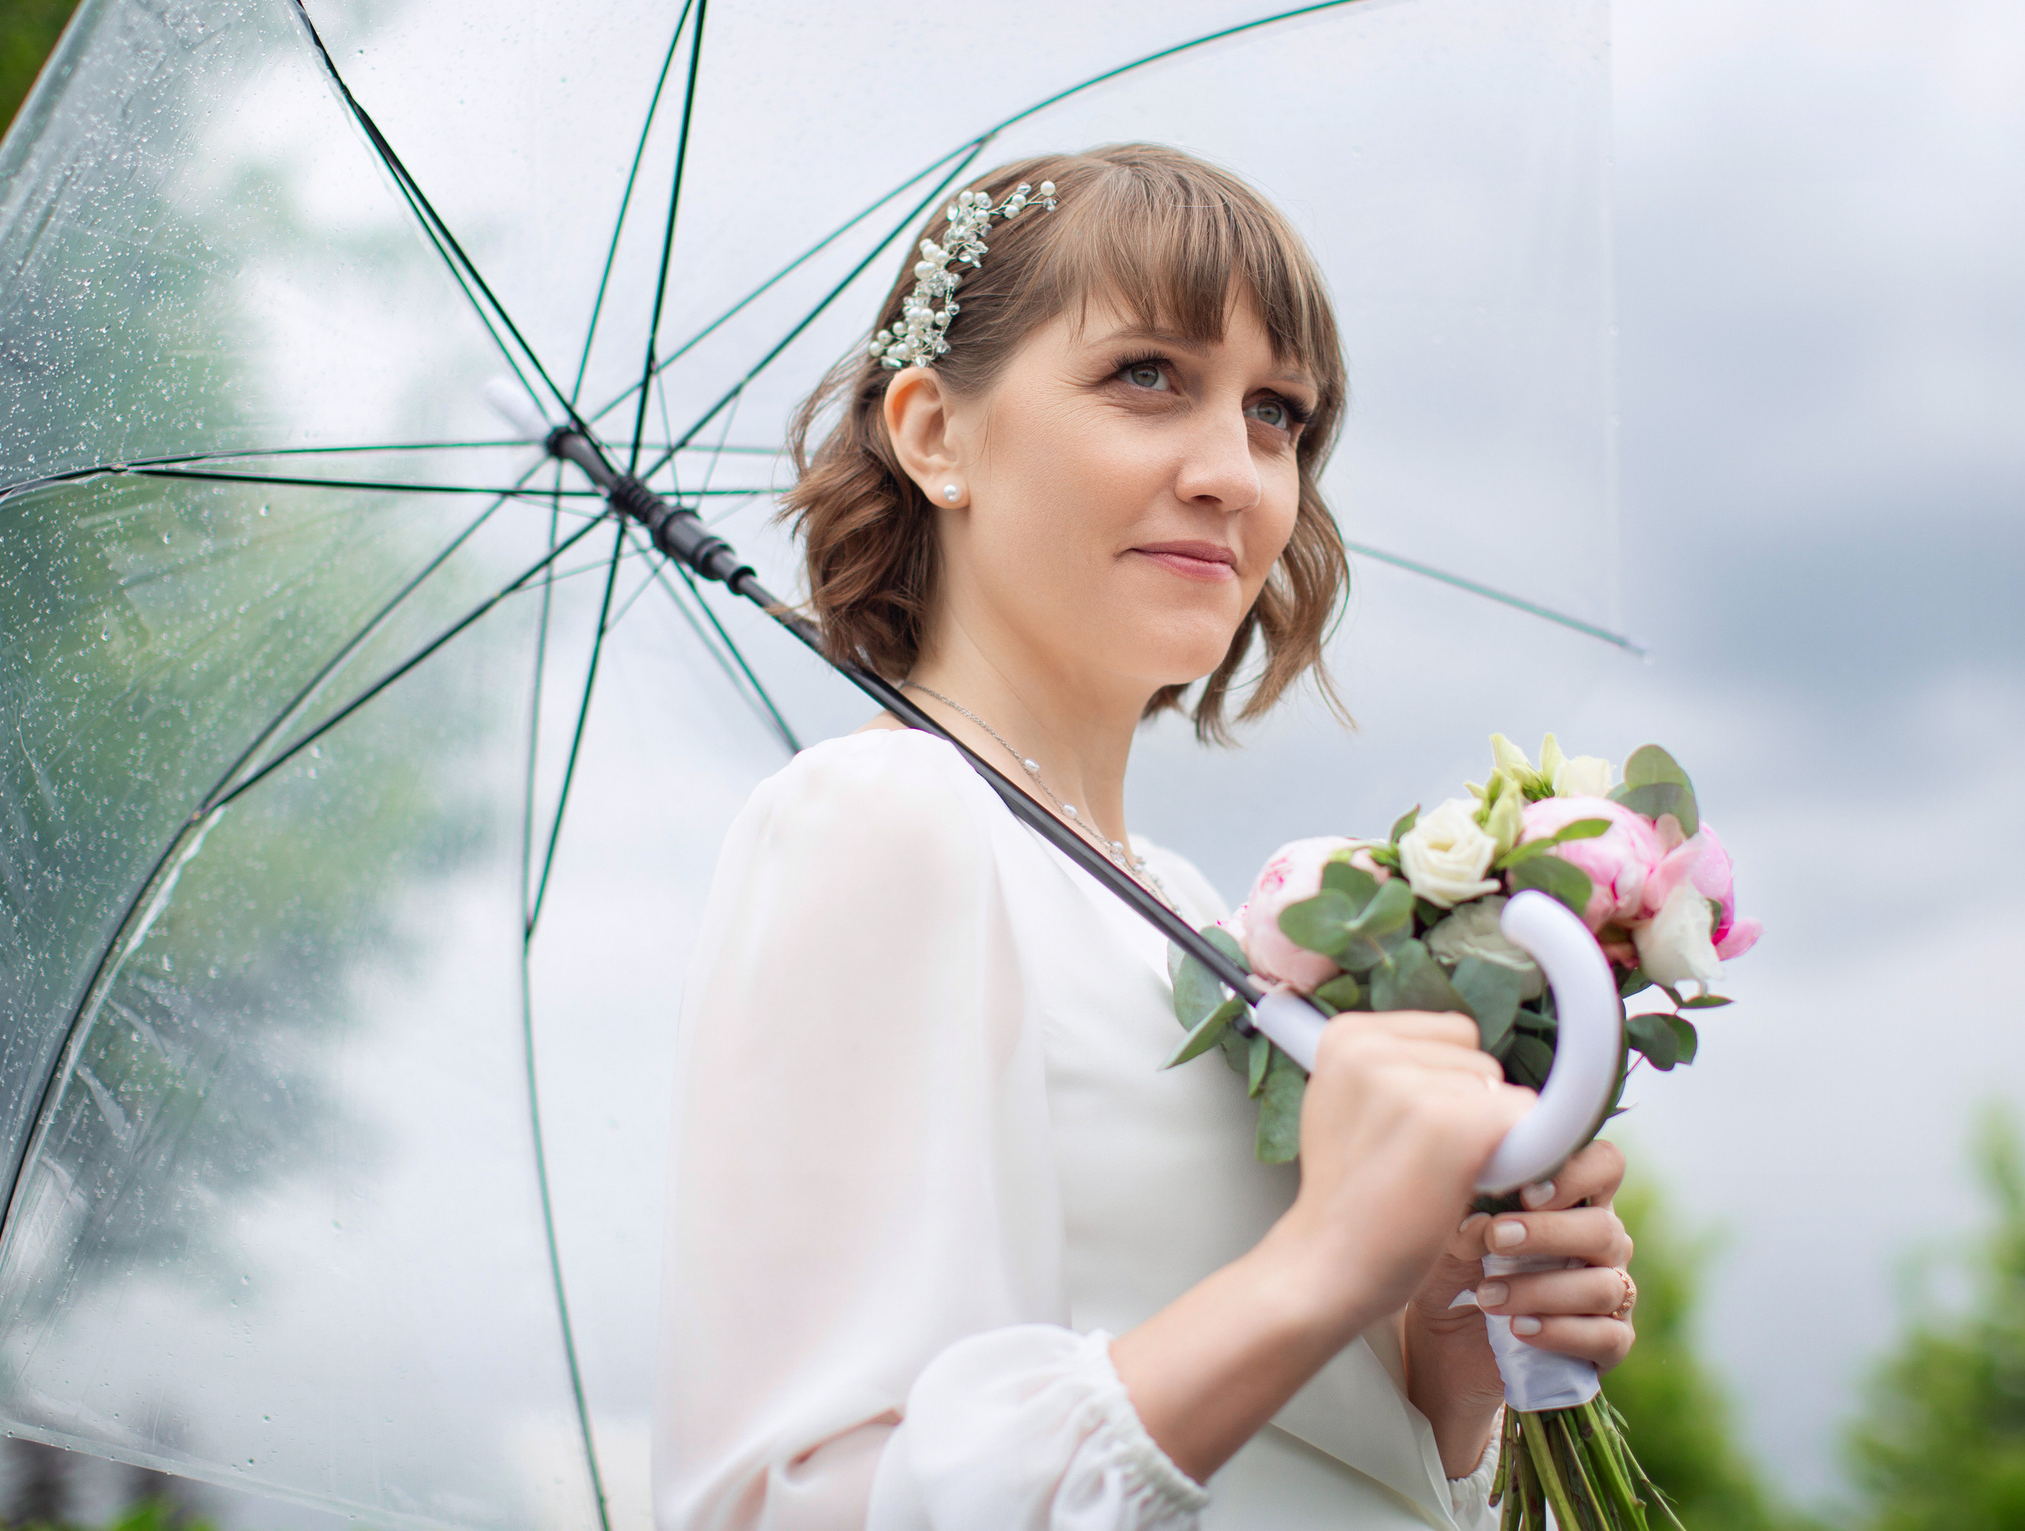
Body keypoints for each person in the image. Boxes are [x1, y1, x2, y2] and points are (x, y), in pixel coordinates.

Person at [653, 145, 1638, 1530]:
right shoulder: (888, 820)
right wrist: (1323, 1263)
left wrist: (1440, 1362)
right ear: (935, 433)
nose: (1234, 473)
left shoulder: (1187, 908)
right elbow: (795, 1503)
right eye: (1148, 377)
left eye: (1279, 414)